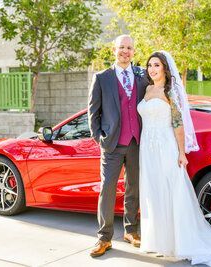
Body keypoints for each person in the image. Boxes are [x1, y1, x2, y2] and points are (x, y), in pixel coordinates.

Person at [137, 51, 211, 266]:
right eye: (150, 65)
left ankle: (183, 242)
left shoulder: (171, 91)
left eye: (157, 65)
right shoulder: (147, 89)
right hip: (147, 149)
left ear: (165, 69)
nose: (152, 69)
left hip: (166, 146)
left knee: (172, 191)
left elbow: (178, 124)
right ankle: (161, 242)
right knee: (154, 191)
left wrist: (181, 152)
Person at [88, 35, 149, 257]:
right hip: (112, 144)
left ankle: (131, 230)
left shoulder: (143, 76)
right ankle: (104, 238)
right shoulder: (102, 77)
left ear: (134, 51)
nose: (125, 51)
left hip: (136, 142)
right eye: (121, 47)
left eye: (129, 48)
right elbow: (93, 112)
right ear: (114, 50)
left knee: (134, 186)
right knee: (107, 189)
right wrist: (99, 139)